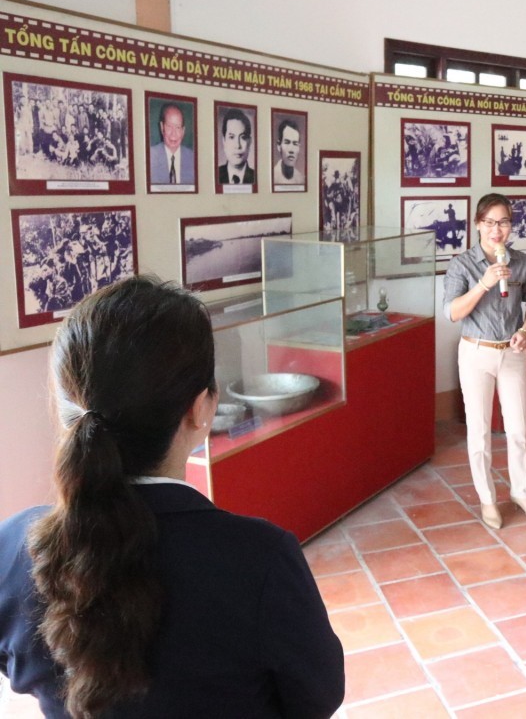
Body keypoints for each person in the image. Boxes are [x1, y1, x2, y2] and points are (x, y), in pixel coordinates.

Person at [0, 276, 343, 717]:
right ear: (200, 408)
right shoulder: (260, 559)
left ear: (69, 410)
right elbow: (317, 697)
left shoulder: (12, 546)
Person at [443, 193, 526, 530]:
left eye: (503, 222)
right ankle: (488, 499)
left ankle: (521, 493)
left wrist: (525, 331)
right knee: (479, 432)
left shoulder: (521, 262)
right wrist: (483, 284)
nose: (496, 230)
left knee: (518, 429)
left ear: (510, 225)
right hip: (475, 353)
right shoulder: (462, 264)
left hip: (512, 352)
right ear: (477, 224)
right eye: (489, 222)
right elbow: (452, 313)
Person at [147, 101, 195, 186]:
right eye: (169, 126)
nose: (173, 134)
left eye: (178, 127)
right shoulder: (150, 156)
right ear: (162, 127)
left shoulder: (193, 158)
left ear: (183, 131)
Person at [217, 108, 255, 185]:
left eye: (243, 137)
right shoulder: (216, 174)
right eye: (231, 137)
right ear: (224, 141)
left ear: (249, 142)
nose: (238, 145)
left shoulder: (257, 177)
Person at [272, 118, 304, 186]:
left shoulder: (301, 179)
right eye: (287, 142)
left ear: (299, 148)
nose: (291, 150)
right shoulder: (272, 177)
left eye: (295, 144)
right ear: (279, 146)